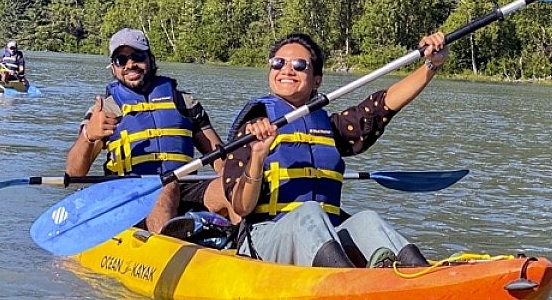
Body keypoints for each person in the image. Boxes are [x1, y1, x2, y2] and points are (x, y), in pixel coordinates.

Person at [223, 31, 448, 268]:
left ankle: (419, 275)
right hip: (263, 241)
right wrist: (258, 155)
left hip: (325, 236)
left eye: (299, 65)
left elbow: (380, 107)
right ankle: (346, 283)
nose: (287, 70)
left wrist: (431, 65)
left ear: (317, 80)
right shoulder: (252, 128)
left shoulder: (329, 129)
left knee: (367, 220)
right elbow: (241, 207)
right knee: (309, 212)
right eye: (278, 63)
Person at [65, 28, 229, 233]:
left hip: (186, 187)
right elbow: (73, 173)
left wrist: (239, 177)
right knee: (163, 187)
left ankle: (247, 249)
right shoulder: (105, 111)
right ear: (113, 68)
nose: (130, 64)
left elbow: (221, 161)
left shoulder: (185, 102)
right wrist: (89, 136)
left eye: (137, 56)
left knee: (231, 187)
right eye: (121, 60)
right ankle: (164, 251)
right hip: (131, 194)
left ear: (150, 59)